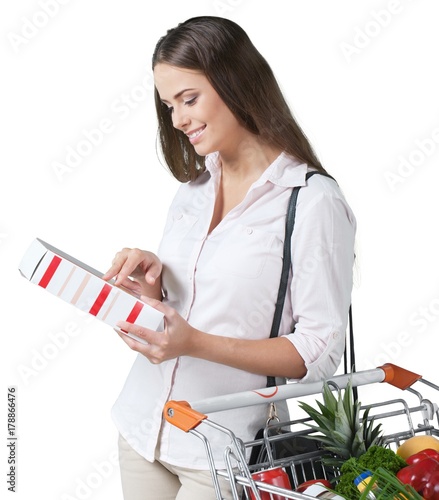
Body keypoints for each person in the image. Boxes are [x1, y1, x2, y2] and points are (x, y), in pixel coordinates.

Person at [103, 15, 356, 500]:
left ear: (235, 83)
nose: (177, 119)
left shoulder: (312, 201)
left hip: (224, 451)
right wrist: (153, 292)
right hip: (142, 427)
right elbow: (193, 306)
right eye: (168, 104)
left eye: (189, 99)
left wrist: (193, 342)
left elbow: (319, 353)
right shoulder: (195, 189)